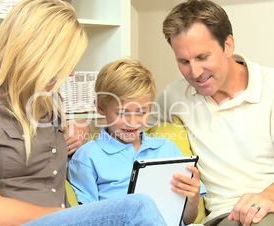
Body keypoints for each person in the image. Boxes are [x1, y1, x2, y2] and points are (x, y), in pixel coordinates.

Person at [0, 0, 166, 225]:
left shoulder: (47, 102)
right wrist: (65, 215)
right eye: (63, 62)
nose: (71, 73)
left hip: (60, 219)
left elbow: (41, 155)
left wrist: (73, 132)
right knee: (137, 207)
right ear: (34, 53)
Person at [158, 0, 274, 226]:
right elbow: (130, 126)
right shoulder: (175, 96)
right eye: (183, 61)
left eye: (202, 57)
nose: (194, 72)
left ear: (228, 45)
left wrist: (269, 197)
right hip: (235, 214)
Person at [68, 58, 200, 225]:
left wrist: (193, 197)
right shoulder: (87, 157)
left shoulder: (168, 149)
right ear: (100, 107)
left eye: (141, 112)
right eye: (122, 113)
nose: (132, 121)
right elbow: (85, 219)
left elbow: (187, 219)